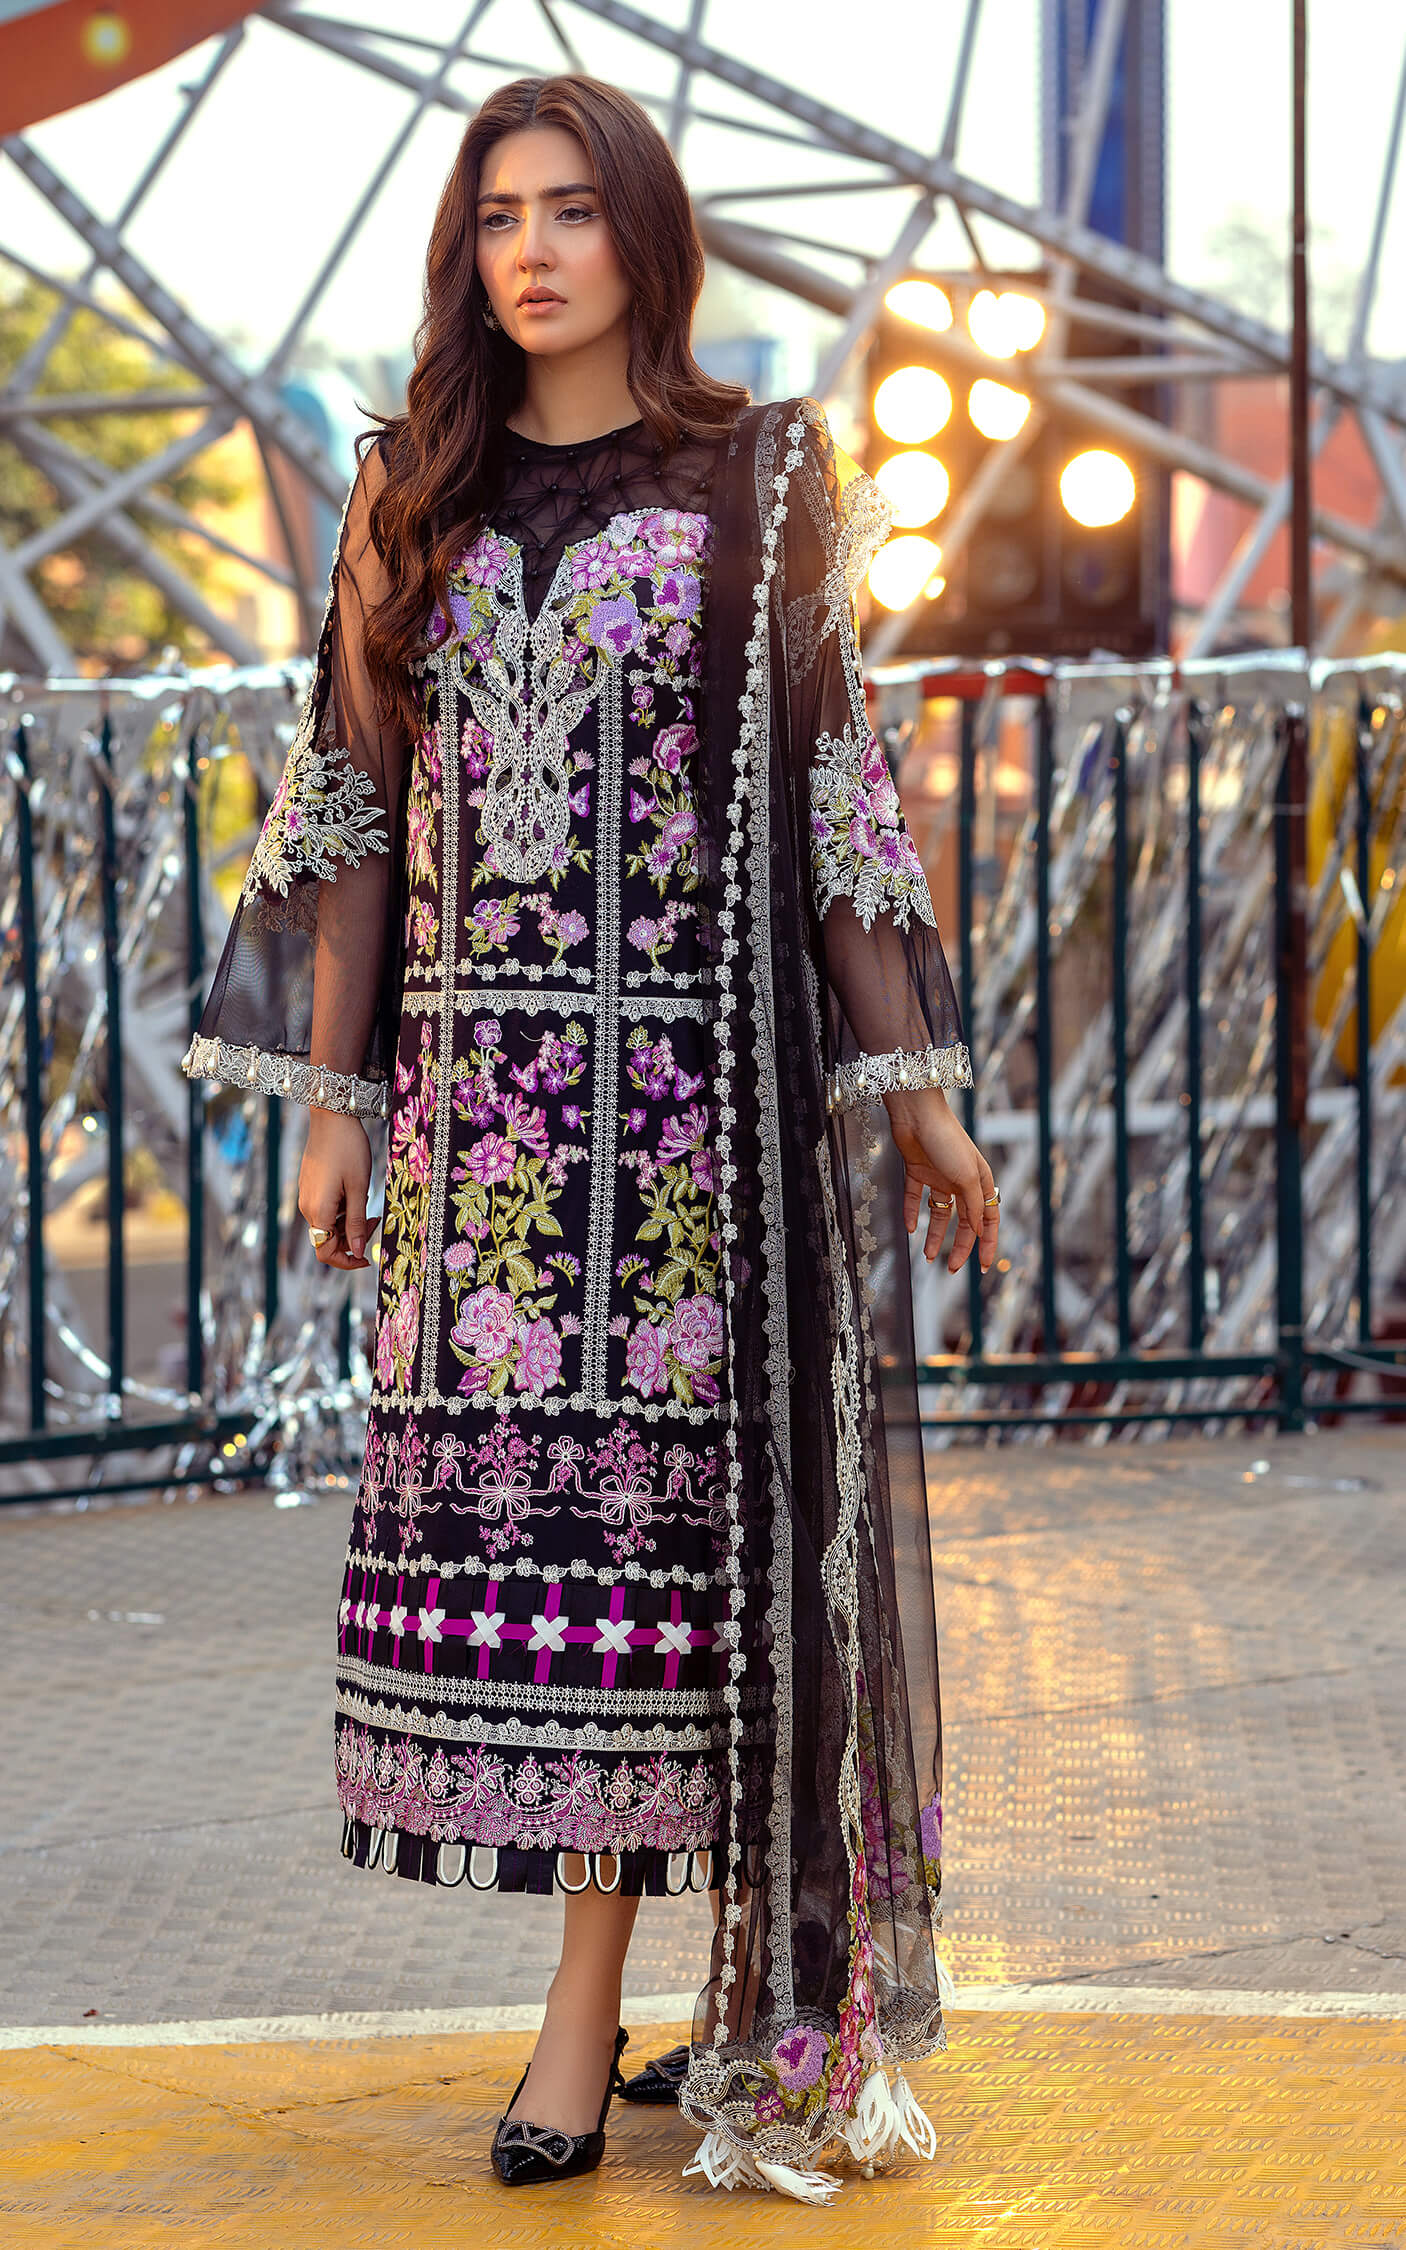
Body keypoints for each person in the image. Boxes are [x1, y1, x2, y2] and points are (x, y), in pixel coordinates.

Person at [182, 71, 997, 2204]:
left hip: (698, 1144)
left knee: (671, 1584)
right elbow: (355, 803)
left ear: (645, 230)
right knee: (548, 1587)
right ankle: (625, 1988)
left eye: (567, 209)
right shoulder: (410, 485)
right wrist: (338, 1102)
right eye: (494, 217)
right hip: (486, 1153)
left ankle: (585, 2012)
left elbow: (831, 785)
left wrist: (912, 1084)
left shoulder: (760, 475)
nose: (528, 251)